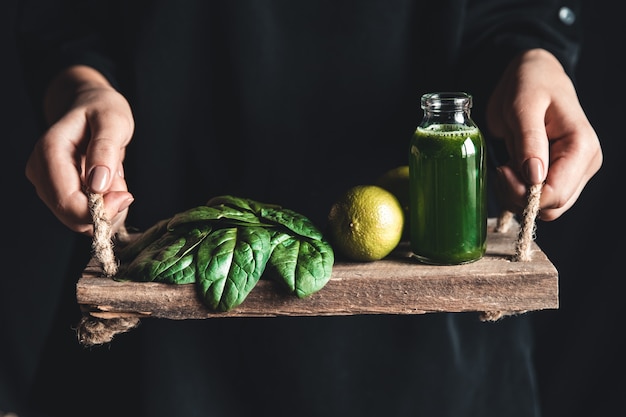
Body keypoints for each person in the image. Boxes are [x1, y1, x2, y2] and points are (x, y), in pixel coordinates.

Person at [16, 1, 602, 416]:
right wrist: (84, 88)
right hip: (162, 325)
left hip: (435, 362)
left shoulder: (449, 142)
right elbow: (66, 19)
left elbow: (516, 13)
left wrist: (534, 56)